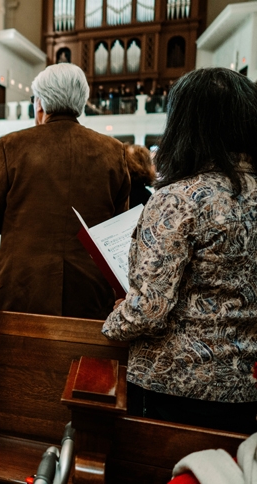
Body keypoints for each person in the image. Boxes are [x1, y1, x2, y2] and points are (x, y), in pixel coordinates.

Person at [103, 68, 257, 434]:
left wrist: (112, 323)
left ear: (185, 126)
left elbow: (150, 310)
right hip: (247, 385)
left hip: (177, 386)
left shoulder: (179, 200)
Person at [0, 63, 130, 320]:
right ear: (81, 102)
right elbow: (116, 227)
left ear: (40, 104)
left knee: (23, 357)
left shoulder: (12, 145)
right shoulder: (113, 151)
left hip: (24, 282)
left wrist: (26, 223)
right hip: (89, 287)